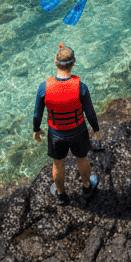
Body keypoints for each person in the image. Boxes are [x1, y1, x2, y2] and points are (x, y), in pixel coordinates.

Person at [32, 44, 100, 205]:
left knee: (58, 163)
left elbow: (37, 114)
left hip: (56, 134)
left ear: (55, 63)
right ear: (73, 63)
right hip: (78, 131)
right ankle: (86, 186)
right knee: (82, 159)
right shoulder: (81, 87)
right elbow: (90, 112)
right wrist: (95, 129)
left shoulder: (44, 88)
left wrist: (36, 130)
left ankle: (61, 195)